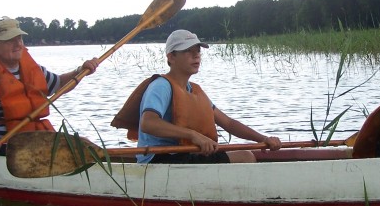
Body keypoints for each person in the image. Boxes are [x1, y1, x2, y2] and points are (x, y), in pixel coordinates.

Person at [111, 29, 281, 164]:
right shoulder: (161, 86)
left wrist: (263, 139)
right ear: (171, 57)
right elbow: (148, 123)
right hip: (159, 159)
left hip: (183, 155)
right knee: (245, 157)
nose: (196, 55)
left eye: (198, 51)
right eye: (188, 51)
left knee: (243, 155)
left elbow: (228, 123)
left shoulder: (193, 89)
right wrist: (193, 135)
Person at [0, 17, 99, 156]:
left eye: (19, 38)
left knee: (84, 145)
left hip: (34, 144)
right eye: (9, 40)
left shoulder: (34, 70)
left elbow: (59, 84)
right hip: (3, 152)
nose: (18, 44)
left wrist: (80, 71)